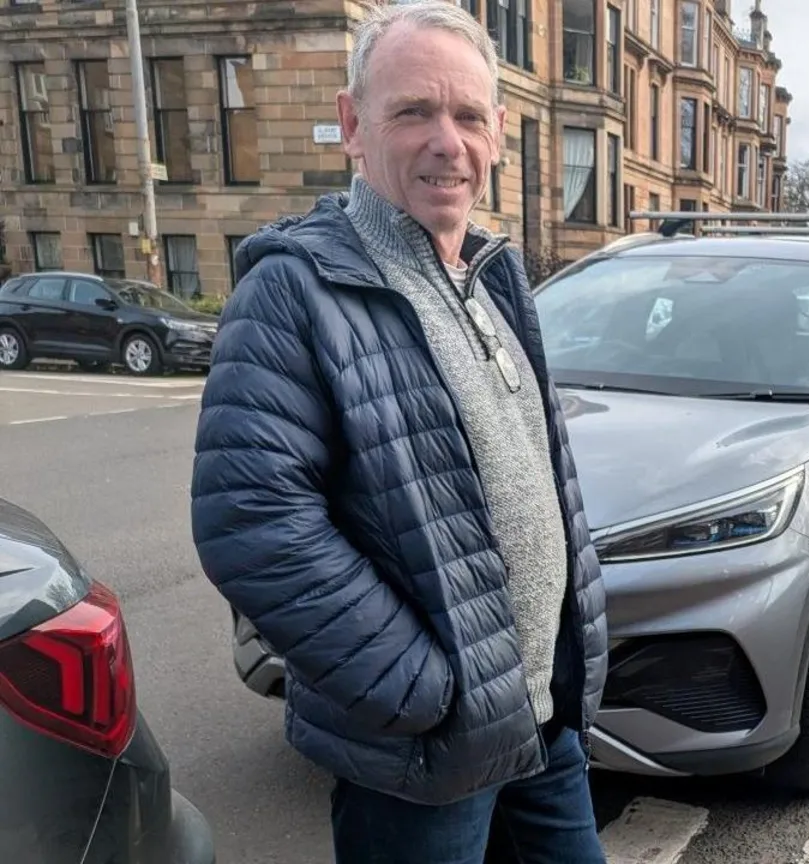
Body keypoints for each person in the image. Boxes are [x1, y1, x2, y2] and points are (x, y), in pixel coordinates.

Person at [188, 4, 607, 863]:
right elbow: (253, 524)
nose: (445, 141)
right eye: (413, 111)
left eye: (467, 116)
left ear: (496, 135)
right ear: (352, 125)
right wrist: (425, 691)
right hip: (425, 754)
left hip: (539, 719)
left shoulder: (494, 278)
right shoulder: (295, 291)